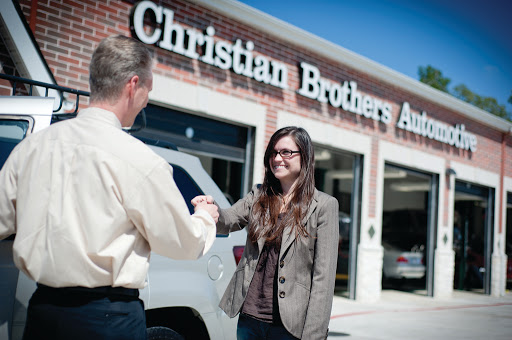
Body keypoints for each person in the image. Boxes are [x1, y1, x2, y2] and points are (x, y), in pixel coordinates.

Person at [0, 35, 218, 340]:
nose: (146, 100)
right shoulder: (140, 160)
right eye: (148, 90)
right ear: (132, 85)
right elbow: (182, 244)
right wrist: (205, 217)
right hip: (108, 319)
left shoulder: (31, 148)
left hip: (42, 313)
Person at [192, 126, 339, 339]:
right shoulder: (260, 195)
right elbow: (229, 220)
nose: (277, 158)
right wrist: (210, 207)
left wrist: (314, 335)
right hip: (250, 318)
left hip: (289, 325)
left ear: (304, 157)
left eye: (286, 152)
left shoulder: (324, 205)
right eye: (273, 152)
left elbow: (323, 279)